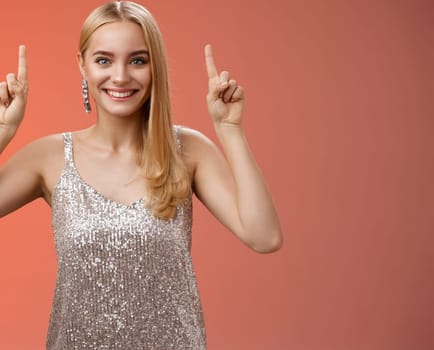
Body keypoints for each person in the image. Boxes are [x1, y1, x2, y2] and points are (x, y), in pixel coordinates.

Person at [0, 1, 282, 348]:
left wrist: (230, 130)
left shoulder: (188, 150)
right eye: (103, 60)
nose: (120, 76)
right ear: (82, 65)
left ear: (155, 67)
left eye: (138, 60)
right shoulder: (50, 156)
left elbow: (264, 236)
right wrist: (2, 131)